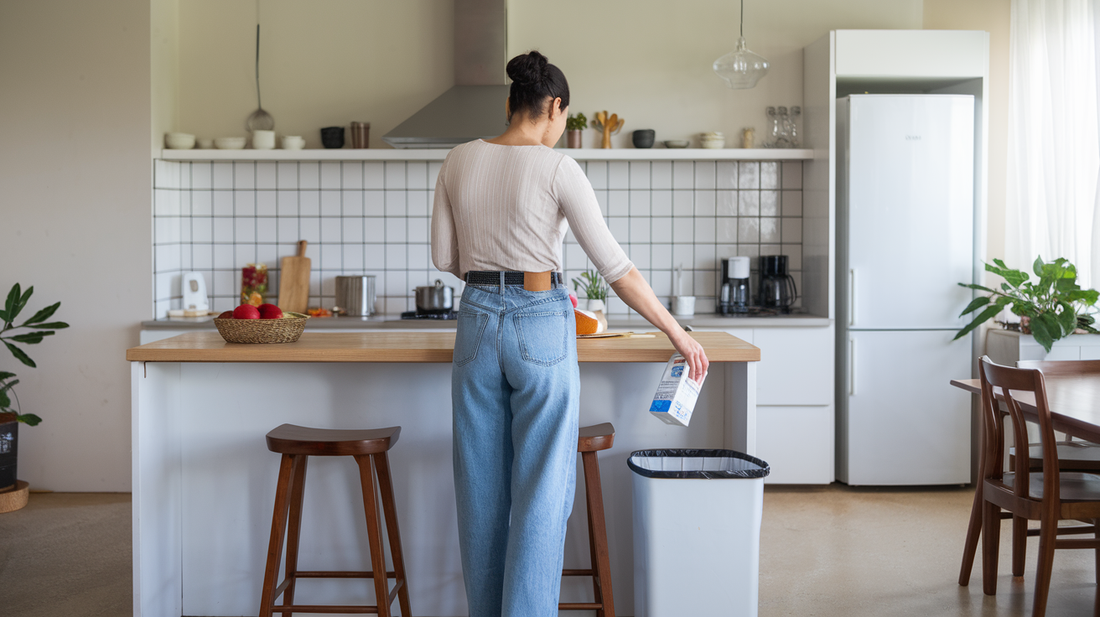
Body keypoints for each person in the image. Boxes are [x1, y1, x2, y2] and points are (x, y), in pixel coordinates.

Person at [430, 50, 709, 617]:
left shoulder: (458, 159)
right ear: (554, 107)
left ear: (510, 104)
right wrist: (677, 331)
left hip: (477, 318)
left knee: (480, 491)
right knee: (541, 492)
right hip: (539, 321)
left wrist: (491, 276)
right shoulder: (558, 168)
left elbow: (444, 257)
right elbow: (616, 268)